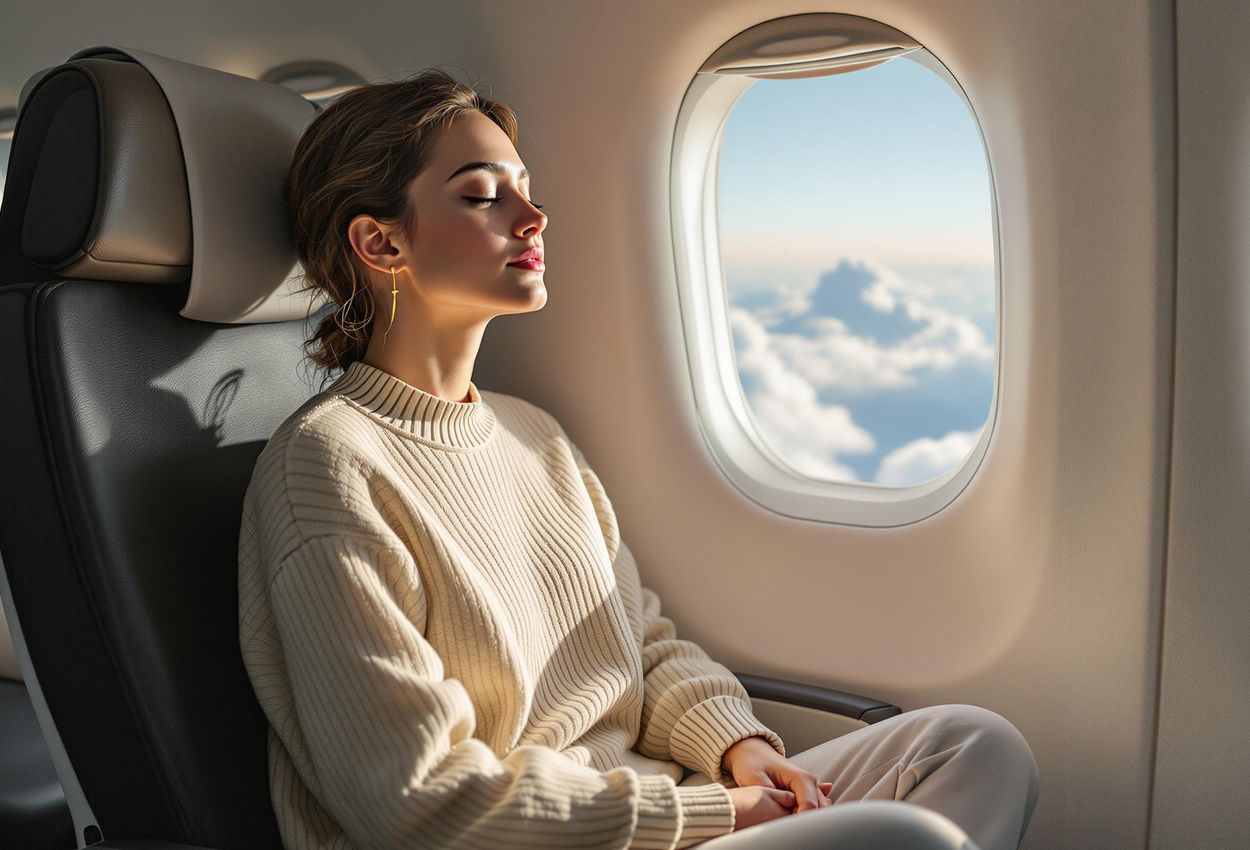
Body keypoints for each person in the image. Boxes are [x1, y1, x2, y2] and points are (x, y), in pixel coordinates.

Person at [237, 67, 1040, 850]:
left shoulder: (533, 435)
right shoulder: (327, 467)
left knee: (972, 746)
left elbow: (639, 646)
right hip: (561, 837)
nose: (534, 217)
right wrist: (710, 815)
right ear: (381, 242)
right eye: (483, 196)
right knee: (906, 837)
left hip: (660, 813)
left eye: (526, 189)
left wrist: (736, 746)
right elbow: (418, 803)